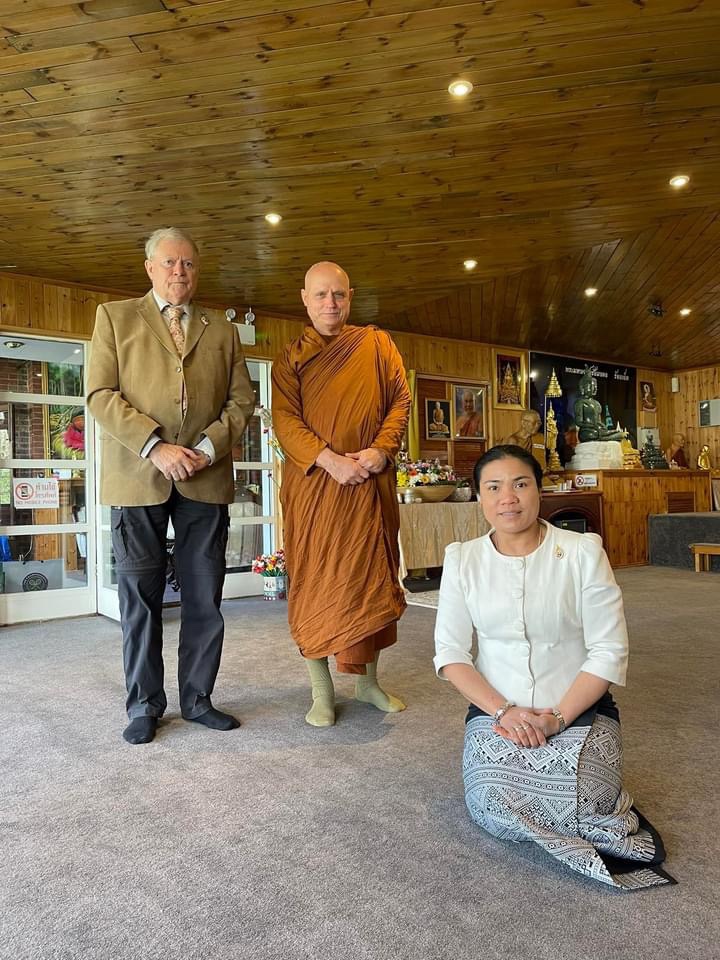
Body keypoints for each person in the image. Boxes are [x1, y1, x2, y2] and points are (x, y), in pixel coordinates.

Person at [433, 444, 673, 889]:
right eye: (494, 487)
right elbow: (450, 654)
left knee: (591, 804)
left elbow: (608, 650)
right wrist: (505, 711)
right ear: (480, 497)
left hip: (578, 707)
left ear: (539, 491)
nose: (508, 498)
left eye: (520, 484)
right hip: (496, 712)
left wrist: (557, 718)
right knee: (490, 804)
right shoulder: (463, 559)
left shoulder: (582, 551)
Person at [87, 227, 255, 745]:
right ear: (149, 267)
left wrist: (207, 448)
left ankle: (199, 700)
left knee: (205, 595)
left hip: (205, 478)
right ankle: (144, 705)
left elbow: (241, 400)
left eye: (188, 263)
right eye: (169, 262)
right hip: (138, 478)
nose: (179, 271)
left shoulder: (221, 329)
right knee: (140, 598)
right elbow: (99, 394)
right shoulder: (115, 317)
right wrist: (155, 446)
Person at [272, 261, 411, 727]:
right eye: (321, 294)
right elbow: (285, 421)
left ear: (350, 297)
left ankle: (368, 683)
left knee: (370, 581)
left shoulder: (377, 345)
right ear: (305, 298)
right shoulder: (289, 359)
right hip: (315, 487)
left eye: (338, 295)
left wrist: (381, 450)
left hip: (370, 484)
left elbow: (400, 400)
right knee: (316, 582)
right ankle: (321, 691)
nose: (330, 303)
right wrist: (330, 460)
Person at [574, 366, 626, 443]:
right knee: (592, 434)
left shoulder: (597, 403)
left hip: (598, 430)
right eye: (591, 386)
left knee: (617, 433)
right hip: (587, 431)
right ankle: (607, 437)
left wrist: (602, 426)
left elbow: (599, 421)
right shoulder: (580, 403)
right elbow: (578, 422)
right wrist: (592, 425)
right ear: (582, 388)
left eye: (595, 386)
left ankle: (610, 436)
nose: (594, 389)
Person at [502, 408, 546, 473]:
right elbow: (510, 465)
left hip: (539, 474)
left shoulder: (539, 437)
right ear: (523, 423)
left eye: (539, 423)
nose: (537, 426)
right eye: (534, 423)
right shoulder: (513, 441)